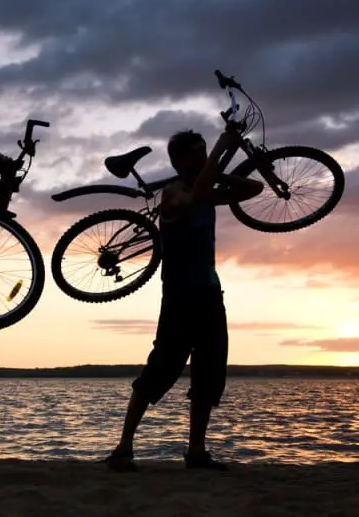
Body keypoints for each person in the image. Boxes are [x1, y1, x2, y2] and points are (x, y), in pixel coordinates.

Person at [104, 128, 264, 472]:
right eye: (197, 153)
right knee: (160, 369)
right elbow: (193, 197)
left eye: (205, 151)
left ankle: (196, 452)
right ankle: (123, 448)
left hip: (209, 294)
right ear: (179, 160)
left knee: (208, 374)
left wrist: (217, 167)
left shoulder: (205, 190)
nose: (203, 157)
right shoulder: (174, 192)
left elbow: (254, 188)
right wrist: (223, 148)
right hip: (179, 296)